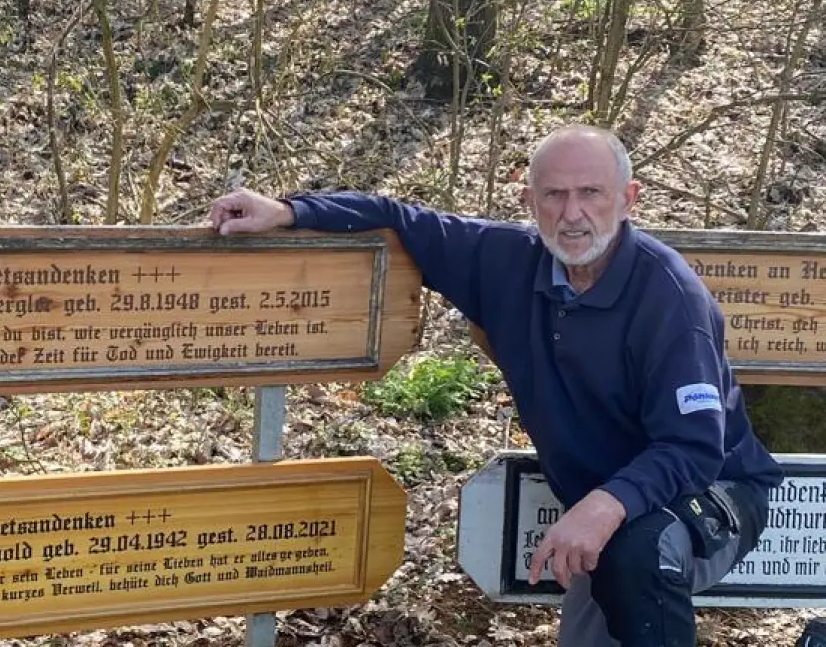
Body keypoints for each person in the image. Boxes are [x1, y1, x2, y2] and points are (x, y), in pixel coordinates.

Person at [208, 124, 783, 647]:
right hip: (610, 506)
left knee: (638, 555)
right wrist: (287, 210)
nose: (572, 213)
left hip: (716, 493)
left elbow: (694, 448)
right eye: (554, 195)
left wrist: (603, 506)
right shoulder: (505, 261)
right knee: (609, 590)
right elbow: (396, 217)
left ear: (628, 200)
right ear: (529, 201)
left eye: (591, 193)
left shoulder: (669, 298)